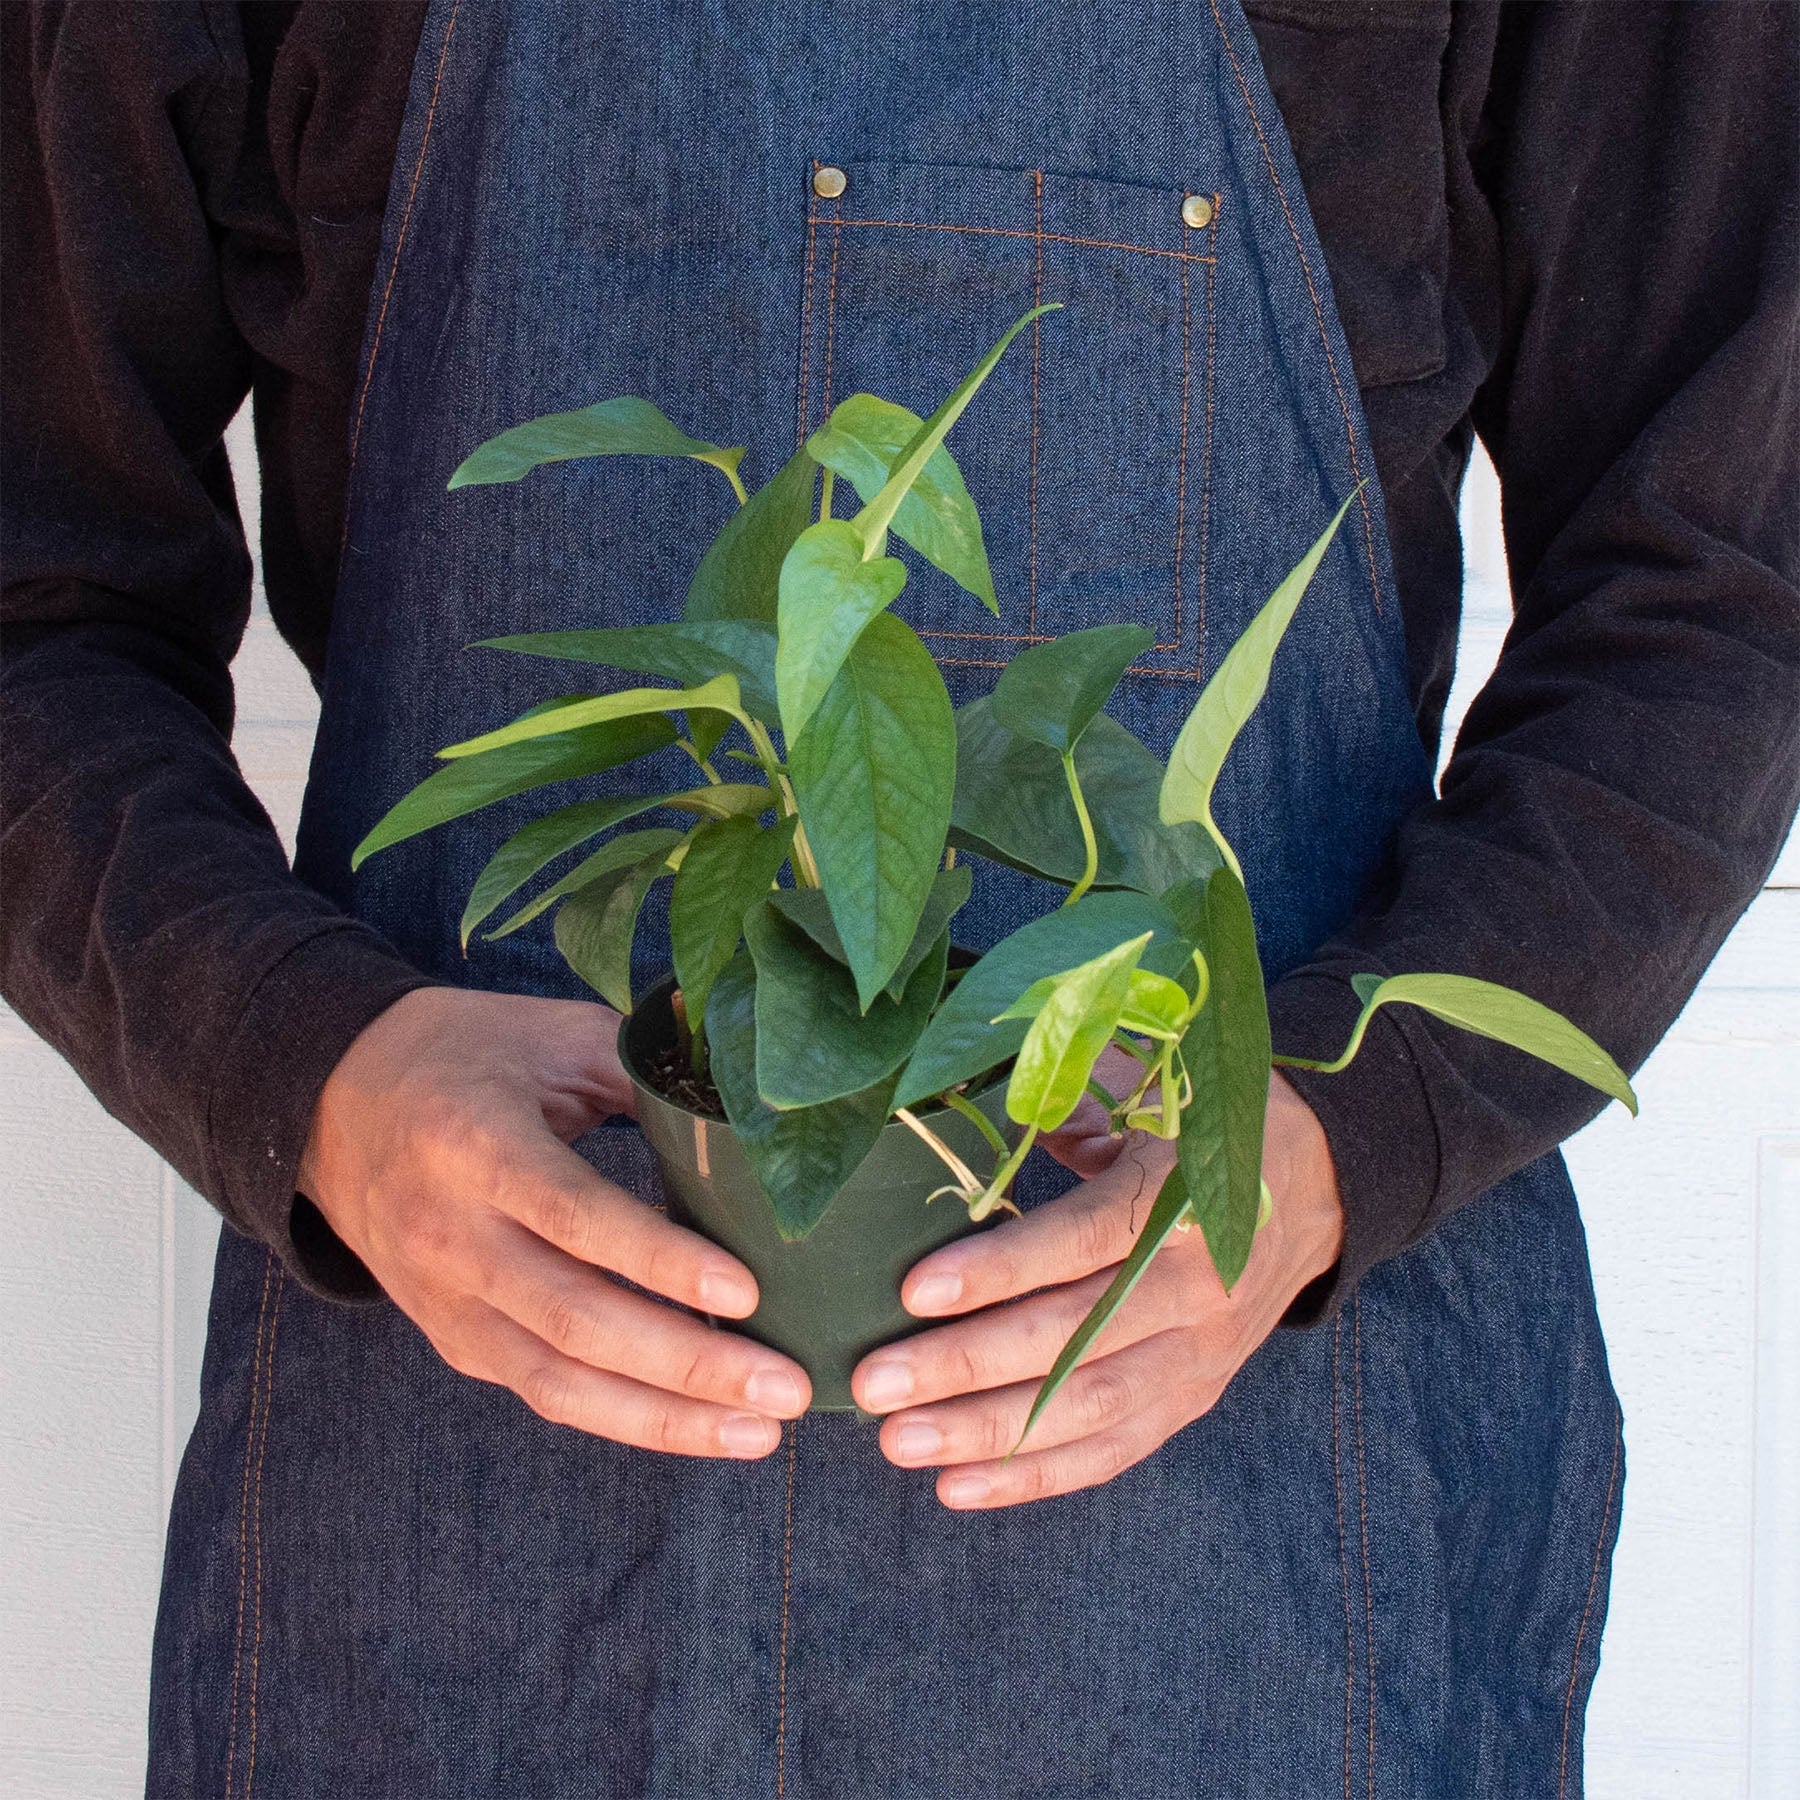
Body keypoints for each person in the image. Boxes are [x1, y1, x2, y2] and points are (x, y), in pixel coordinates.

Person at [4, 2, 1795, 1794]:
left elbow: (1721, 584)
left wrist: (1346, 1132)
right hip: (456, 1529)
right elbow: (37, 602)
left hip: (1263, 1548)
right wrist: (303, 1067)